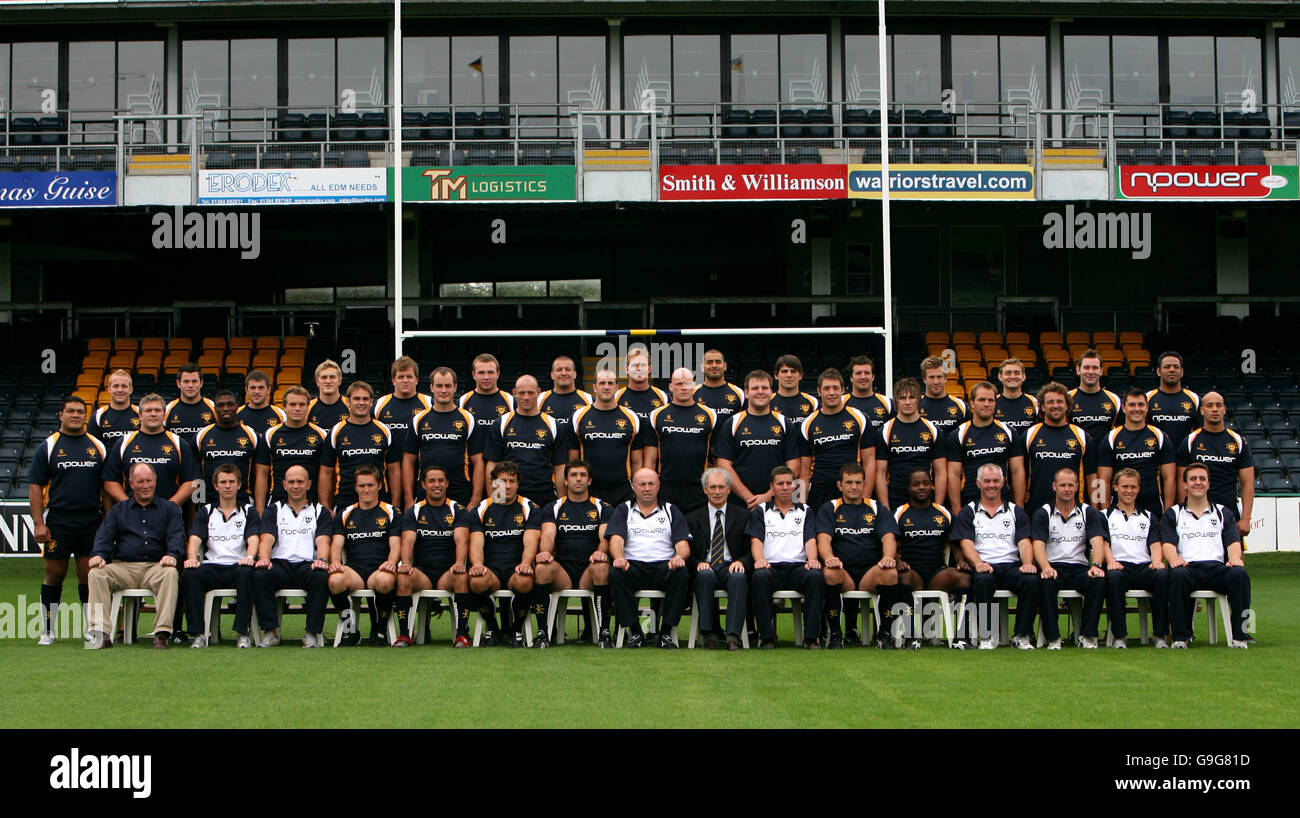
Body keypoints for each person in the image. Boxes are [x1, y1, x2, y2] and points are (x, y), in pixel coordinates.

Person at [28, 396, 106, 644]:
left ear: (86, 416)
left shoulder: (98, 446)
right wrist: (39, 523)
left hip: (91, 521)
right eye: (70, 411)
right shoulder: (49, 446)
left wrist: (107, 522)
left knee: (88, 576)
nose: (75, 415)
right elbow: (35, 487)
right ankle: (48, 630)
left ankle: (90, 628)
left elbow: (106, 488)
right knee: (54, 575)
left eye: (80, 412)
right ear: (60, 414)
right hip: (59, 521)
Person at [85, 463, 184, 650]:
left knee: (170, 573)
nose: (145, 485)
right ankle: (101, 633)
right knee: (96, 574)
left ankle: (162, 634)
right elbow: (104, 537)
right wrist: (98, 555)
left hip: (155, 567)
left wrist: (172, 555)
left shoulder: (169, 509)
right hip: (124, 568)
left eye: (148, 481)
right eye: (140, 481)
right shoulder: (118, 510)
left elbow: (176, 537)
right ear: (131, 484)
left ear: (155, 482)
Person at [1162, 463, 1252, 649]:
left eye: (1202, 479)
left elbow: (1233, 542)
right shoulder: (1174, 513)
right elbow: (1168, 544)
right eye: (1193, 479)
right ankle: (1180, 637)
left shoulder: (1222, 512)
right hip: (1188, 568)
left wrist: (1235, 558)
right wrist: (1173, 560)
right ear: (1185, 484)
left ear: (1209, 484)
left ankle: (1241, 636)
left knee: (1240, 575)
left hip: (1216, 569)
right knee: (1177, 575)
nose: (1198, 483)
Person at [816, 463, 904, 649]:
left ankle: (884, 635)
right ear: (840, 485)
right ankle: (835, 635)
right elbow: (823, 539)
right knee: (829, 572)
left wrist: (888, 557)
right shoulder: (830, 508)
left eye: (858, 482)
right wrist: (829, 557)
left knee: (890, 573)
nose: (854, 487)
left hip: (869, 572)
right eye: (849, 482)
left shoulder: (876, 507)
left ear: (864, 484)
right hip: (843, 570)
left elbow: (889, 537)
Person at [953, 464, 1038, 650]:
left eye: (995, 481)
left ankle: (1021, 635)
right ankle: (987, 636)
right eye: (987, 481)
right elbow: (966, 544)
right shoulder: (969, 511)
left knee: (1031, 580)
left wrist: (1028, 564)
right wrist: (977, 563)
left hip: (1011, 566)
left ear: (1003, 483)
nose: (991, 485)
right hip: (984, 566)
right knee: (982, 580)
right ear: (978, 483)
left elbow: (1024, 542)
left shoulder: (1016, 511)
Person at [607, 468, 692, 648]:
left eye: (651, 483)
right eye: (642, 484)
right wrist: (619, 557)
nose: (647, 488)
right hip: (633, 566)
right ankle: (636, 633)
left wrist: (678, 556)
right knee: (616, 573)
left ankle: (666, 633)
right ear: (633, 486)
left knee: (682, 573)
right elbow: (616, 540)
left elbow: (683, 544)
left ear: (658, 485)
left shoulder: (671, 510)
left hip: (664, 566)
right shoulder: (624, 510)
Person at [535, 460, 613, 648]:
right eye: (573, 475)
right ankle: (543, 632)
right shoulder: (553, 507)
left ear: (590, 481)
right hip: (564, 571)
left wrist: (600, 553)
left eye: (582, 475)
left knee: (602, 567)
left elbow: (605, 538)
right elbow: (548, 535)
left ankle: (604, 632)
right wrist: (545, 553)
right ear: (565, 481)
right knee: (542, 568)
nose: (578, 479)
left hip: (589, 568)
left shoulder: (603, 507)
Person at [393, 465, 473, 648]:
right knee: (404, 576)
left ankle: (462, 634)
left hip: (448, 572)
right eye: (431, 481)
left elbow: (462, 541)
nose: (436, 485)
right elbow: (408, 541)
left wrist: (460, 563)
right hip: (424, 573)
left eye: (440, 481)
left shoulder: (457, 510)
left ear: (447, 483)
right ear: (423, 484)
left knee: (462, 576)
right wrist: (405, 563)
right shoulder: (414, 511)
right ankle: (405, 635)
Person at [253, 464, 332, 648]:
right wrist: (264, 558)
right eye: (291, 482)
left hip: (307, 565)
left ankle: (311, 633)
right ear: (284, 485)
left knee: (321, 576)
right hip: (280, 564)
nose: (296, 486)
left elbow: (323, 540)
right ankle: (270, 631)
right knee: (260, 574)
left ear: (309, 484)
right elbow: (266, 538)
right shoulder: (274, 509)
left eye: (300, 482)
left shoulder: (320, 511)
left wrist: (321, 560)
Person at [182, 464, 259, 648]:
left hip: (237, 566)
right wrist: (192, 558)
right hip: (212, 566)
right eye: (223, 482)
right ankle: (198, 634)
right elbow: (194, 539)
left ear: (239, 485)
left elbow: (254, 538)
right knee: (190, 574)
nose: (227, 486)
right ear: (215, 486)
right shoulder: (206, 511)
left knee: (248, 572)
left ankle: (242, 633)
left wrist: (249, 556)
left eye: (231, 482)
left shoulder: (249, 511)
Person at [1029, 468, 1107, 650]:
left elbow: (1097, 541)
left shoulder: (1088, 512)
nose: (1066, 489)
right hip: (1053, 566)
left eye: (1070, 485)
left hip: (1079, 568)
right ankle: (1053, 638)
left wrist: (1096, 565)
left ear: (1077, 486)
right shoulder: (1044, 513)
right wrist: (1046, 567)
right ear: (1054, 486)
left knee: (1098, 580)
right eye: (1062, 485)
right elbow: (1037, 545)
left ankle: (1088, 636)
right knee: (1046, 582)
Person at [467, 462, 542, 647]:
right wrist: (477, 564)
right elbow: (476, 542)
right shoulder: (481, 508)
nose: (507, 486)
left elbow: (531, 541)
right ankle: (493, 629)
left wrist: (526, 563)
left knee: (525, 580)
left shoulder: (530, 507)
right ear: (493, 483)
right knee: (477, 580)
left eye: (512, 481)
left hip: (515, 568)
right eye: (502, 481)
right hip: (491, 569)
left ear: (517, 484)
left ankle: (516, 630)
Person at [748, 466, 823, 649]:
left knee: (816, 576)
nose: (785, 487)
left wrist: (812, 559)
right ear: (772, 487)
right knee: (759, 576)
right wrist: (760, 560)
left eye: (789, 483)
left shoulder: (806, 511)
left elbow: (810, 539)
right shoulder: (761, 511)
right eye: (780, 484)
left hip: (798, 567)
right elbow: (756, 540)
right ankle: (766, 638)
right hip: (771, 567)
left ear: (795, 486)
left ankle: (811, 638)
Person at [893, 469, 968, 648]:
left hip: (937, 572)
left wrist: (961, 561)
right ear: (909, 488)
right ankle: (911, 637)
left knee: (964, 577)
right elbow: (890, 543)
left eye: (925, 483)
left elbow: (955, 544)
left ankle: (962, 635)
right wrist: (896, 559)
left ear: (931, 485)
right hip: (912, 570)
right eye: (916, 484)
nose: (922, 487)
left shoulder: (943, 513)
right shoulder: (900, 513)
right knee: (902, 577)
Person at [327, 465, 400, 646]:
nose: (366, 489)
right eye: (362, 486)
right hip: (355, 570)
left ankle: (379, 630)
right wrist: (335, 562)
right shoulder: (345, 513)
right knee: (334, 580)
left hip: (380, 567)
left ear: (379, 486)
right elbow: (336, 544)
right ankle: (350, 630)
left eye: (370, 485)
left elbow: (396, 544)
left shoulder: (391, 512)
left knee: (384, 580)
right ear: (355, 487)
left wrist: (391, 562)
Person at [1102, 468, 1170, 649]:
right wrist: (1110, 562)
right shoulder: (1105, 516)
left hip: (1144, 567)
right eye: (1124, 486)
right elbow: (1104, 543)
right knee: (1113, 577)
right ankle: (1120, 636)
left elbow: (1155, 544)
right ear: (1115, 487)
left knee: (1162, 575)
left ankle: (1160, 635)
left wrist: (1156, 561)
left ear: (1139, 489)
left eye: (1133, 487)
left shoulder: (1148, 516)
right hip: (1119, 566)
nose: (1129, 491)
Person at [713, 370, 801, 510]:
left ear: (771, 392)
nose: (760, 392)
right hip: (742, 504)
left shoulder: (784, 423)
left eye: (765, 388)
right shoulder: (733, 423)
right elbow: (723, 464)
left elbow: (794, 465)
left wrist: (769, 495)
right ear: (746, 393)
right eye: (755, 388)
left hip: (777, 503)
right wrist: (749, 498)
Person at [687, 467, 751, 650]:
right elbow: (687, 552)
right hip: (705, 566)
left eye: (721, 487)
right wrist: (698, 563)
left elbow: (751, 550)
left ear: (729, 489)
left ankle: (732, 636)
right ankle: (709, 635)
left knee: (739, 577)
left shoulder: (744, 516)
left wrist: (742, 562)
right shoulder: (692, 518)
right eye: (712, 487)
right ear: (705, 489)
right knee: (704, 576)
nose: (717, 492)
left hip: (732, 565)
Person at [1176, 391, 1254, 540]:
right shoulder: (1190, 441)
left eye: (1218, 405)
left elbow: (1248, 483)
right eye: (1209, 405)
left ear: (1224, 409)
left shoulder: (1238, 442)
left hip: (1229, 512)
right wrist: (1182, 512)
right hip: (1196, 512)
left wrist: (1245, 518)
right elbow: (1181, 482)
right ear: (1202, 410)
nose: (1214, 409)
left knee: (1234, 561)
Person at [404, 366, 483, 509]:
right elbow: (408, 461)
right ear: (431, 387)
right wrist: (408, 498)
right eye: (439, 386)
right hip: (426, 492)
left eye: (448, 385)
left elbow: (478, 462)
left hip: (460, 492)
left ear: (455, 387)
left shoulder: (468, 419)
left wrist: (476, 498)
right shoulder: (419, 420)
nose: (444, 390)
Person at [103, 393, 200, 509]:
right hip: (132, 516)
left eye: (157, 410)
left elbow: (192, 481)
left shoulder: (179, 443)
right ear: (140, 416)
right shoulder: (123, 443)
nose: (153, 414)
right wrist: (129, 506)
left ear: (164, 415)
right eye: (148, 410)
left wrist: (169, 506)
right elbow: (110, 481)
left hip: (168, 517)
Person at [483, 375, 568, 505]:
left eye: (531, 393)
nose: (526, 397)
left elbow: (560, 467)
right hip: (509, 495)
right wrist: (495, 499)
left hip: (544, 495)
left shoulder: (554, 425)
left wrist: (562, 502)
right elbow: (492, 464)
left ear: (539, 392)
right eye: (522, 393)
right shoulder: (501, 423)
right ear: (514, 393)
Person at [798, 368, 875, 510]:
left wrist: (866, 498)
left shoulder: (860, 418)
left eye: (835, 388)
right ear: (819, 391)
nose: (831, 393)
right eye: (826, 388)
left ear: (843, 390)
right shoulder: (807, 424)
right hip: (820, 491)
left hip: (852, 489)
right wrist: (800, 506)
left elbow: (870, 463)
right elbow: (803, 471)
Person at [570, 368, 647, 505]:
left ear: (617, 387)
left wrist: (637, 489)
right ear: (594, 387)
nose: (606, 387)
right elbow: (573, 461)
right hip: (589, 490)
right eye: (602, 383)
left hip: (623, 491)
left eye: (610, 383)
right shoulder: (578, 417)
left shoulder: (632, 418)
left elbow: (637, 462)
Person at [319, 380, 400, 511]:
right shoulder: (336, 431)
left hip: (379, 502)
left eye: (365, 399)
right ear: (348, 402)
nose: (361, 403)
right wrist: (325, 506)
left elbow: (394, 470)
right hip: (345, 501)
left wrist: (395, 504)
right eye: (356, 398)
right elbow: (326, 472)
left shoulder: (384, 431)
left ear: (371, 402)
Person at [1095, 388, 1176, 516]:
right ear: (1124, 407)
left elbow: (1169, 479)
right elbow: (1102, 480)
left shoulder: (1160, 437)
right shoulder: (1111, 438)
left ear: (1147, 407)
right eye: (1132, 404)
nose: (1137, 408)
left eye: (1141, 404)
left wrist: (1168, 514)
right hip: (1118, 508)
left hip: (1153, 506)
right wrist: (1105, 513)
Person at [648, 367, 716, 513]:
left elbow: (715, 456)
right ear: (671, 387)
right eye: (679, 384)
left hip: (699, 488)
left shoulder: (710, 415)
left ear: (694, 385)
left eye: (688, 383)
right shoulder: (656, 416)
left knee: (697, 533)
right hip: (666, 487)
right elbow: (650, 460)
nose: (684, 387)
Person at [946, 381, 1021, 511]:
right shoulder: (958, 434)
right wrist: (957, 511)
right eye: (981, 400)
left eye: (990, 400)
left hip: (1002, 505)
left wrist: (1019, 509)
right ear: (972, 403)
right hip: (969, 505)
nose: (986, 404)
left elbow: (1017, 472)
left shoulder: (1009, 432)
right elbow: (953, 475)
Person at [875, 377, 947, 510]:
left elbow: (941, 471)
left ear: (919, 399)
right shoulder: (884, 431)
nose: (907, 402)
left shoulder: (933, 430)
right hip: (895, 498)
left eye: (912, 397)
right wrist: (885, 509)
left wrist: (938, 507)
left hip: (925, 499)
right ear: (896, 400)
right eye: (902, 398)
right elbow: (880, 474)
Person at [1015, 382, 1087, 511]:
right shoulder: (1029, 435)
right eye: (1050, 402)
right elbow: (1019, 474)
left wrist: (1098, 507)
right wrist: (1019, 509)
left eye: (1060, 401)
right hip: (1036, 510)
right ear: (1042, 406)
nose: (1055, 406)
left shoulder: (1082, 436)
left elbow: (1092, 476)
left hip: (1074, 511)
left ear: (1067, 405)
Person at [254, 385, 328, 512]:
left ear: (307, 407)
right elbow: (261, 474)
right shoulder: (270, 435)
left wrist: (325, 505)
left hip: (312, 501)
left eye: (301, 404)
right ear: (284, 407)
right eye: (292, 404)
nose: (297, 408)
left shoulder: (321, 435)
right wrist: (260, 510)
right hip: (278, 501)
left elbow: (326, 473)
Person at [373, 357, 432, 488]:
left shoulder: (429, 403)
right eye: (400, 377)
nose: (405, 380)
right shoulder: (379, 405)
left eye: (409, 376)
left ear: (416, 379)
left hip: (421, 474)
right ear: (393, 380)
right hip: (388, 473)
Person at [1069, 348, 1121, 497]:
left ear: (1101, 371)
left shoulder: (1114, 400)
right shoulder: (1067, 399)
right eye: (1086, 367)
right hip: (1076, 464)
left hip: (1105, 463)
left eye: (1094, 367)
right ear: (1078, 370)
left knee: (1101, 501)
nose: (1090, 371)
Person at [195, 389, 259, 503]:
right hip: (209, 501)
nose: (225, 408)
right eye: (220, 405)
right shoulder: (202, 435)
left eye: (230, 404)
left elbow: (259, 473)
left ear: (237, 407)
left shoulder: (251, 434)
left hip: (242, 501)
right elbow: (195, 475)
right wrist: (197, 502)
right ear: (215, 409)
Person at [1146, 351, 1200, 448]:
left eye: (1176, 367)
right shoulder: (1147, 399)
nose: (1172, 370)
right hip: (1156, 459)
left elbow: (1200, 433)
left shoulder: (1195, 399)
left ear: (1182, 372)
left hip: (1185, 460)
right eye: (1167, 367)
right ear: (1158, 371)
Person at [458, 353, 516, 433]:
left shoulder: (511, 402)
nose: (486, 377)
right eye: (481, 373)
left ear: (498, 374)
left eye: (490, 372)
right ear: (474, 374)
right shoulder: (462, 402)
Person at [539, 355, 591, 438]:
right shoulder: (539, 400)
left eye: (568, 369)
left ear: (575, 374)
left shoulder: (589, 400)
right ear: (552, 374)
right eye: (559, 370)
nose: (563, 373)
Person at [918, 355, 968, 442]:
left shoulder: (961, 406)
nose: (936, 381)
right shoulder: (915, 405)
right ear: (924, 379)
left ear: (945, 378)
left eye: (939, 377)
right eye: (931, 377)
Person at [165, 363, 216, 449]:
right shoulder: (167, 409)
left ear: (201, 383)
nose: (190, 385)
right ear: (178, 383)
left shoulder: (213, 407)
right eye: (186, 381)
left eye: (194, 381)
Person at [692, 348, 745, 427]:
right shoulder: (692, 393)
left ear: (725, 366)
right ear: (702, 367)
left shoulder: (739, 393)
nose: (714, 365)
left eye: (718, 362)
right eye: (709, 362)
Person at [88, 369, 139, 449]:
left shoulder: (141, 414)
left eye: (124, 386)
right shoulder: (97, 416)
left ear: (131, 389)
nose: (120, 390)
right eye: (116, 386)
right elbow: (93, 448)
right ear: (109, 389)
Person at [617, 347, 669, 423]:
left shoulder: (663, 397)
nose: (639, 368)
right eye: (634, 365)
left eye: (643, 365)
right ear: (627, 369)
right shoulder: (616, 398)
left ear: (649, 368)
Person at [844, 355, 893, 436]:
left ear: (873, 376)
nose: (863, 377)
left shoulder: (888, 403)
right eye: (858, 373)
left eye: (867, 373)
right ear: (851, 378)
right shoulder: (841, 402)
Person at [993, 358, 1039, 440]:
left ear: (1023, 376)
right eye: (1008, 373)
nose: (1012, 376)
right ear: (1000, 377)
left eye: (1016, 373)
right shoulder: (992, 403)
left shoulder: (1035, 402)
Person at [770, 354, 819, 427]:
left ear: (800, 375)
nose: (789, 375)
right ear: (776, 375)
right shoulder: (768, 402)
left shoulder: (813, 402)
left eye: (793, 371)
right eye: (784, 371)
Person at [308, 359, 350, 432]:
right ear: (317, 381)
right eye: (324, 377)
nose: (328, 381)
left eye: (332, 377)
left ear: (339, 380)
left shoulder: (350, 405)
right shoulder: (308, 408)